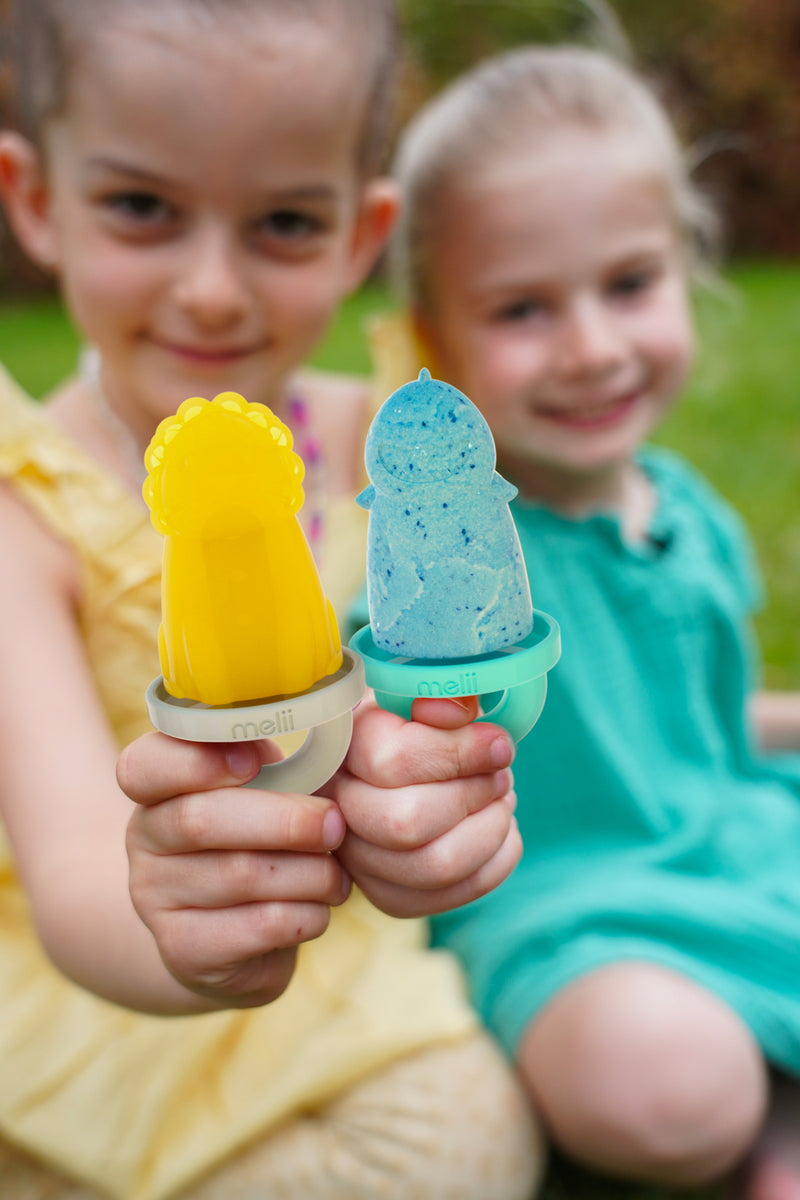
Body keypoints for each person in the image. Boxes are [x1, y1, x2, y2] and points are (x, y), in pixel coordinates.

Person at [0, 3, 544, 1198]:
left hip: (344, 986)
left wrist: (434, 806)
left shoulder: (389, 446)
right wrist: (175, 928)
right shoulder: (25, 515)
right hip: (116, 990)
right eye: (142, 208)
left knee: (470, 1139)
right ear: (37, 201)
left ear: (364, 232)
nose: (209, 292)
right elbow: (75, 872)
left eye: (285, 223)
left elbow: (482, 672)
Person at [377, 42, 800, 1200]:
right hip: (566, 906)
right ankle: (753, 1118)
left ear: (684, 270)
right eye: (522, 308)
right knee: (658, 1081)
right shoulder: (455, 558)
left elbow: (697, 726)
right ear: (432, 339)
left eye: (628, 284)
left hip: (736, 843)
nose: (592, 348)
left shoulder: (689, 514)